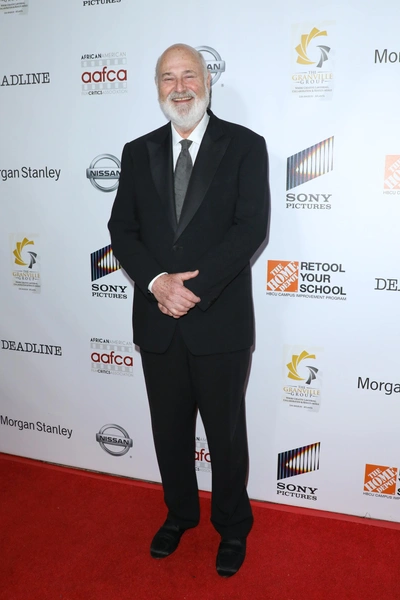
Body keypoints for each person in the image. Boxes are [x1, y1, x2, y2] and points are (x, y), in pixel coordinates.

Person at [108, 43, 270, 577]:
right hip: (157, 320)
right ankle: (179, 514)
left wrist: (190, 290)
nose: (179, 88)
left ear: (207, 80)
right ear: (157, 87)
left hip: (218, 320)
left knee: (226, 435)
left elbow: (250, 227)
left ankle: (232, 526)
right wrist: (158, 283)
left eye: (188, 75)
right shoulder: (136, 152)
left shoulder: (245, 146)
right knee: (169, 431)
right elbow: (122, 231)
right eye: (167, 77)